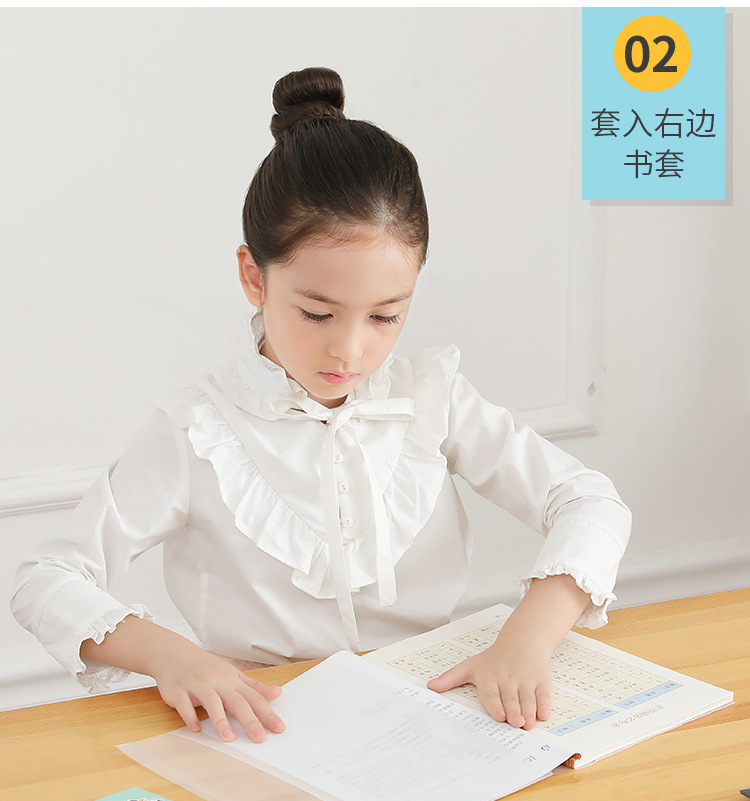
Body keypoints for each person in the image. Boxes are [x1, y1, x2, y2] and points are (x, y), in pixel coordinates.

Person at [12, 67, 631, 747]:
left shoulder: (432, 398)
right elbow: (45, 580)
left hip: (436, 710)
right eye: (317, 312)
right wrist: (172, 656)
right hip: (267, 719)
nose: (351, 350)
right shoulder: (199, 431)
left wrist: (527, 637)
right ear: (254, 276)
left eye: (386, 316)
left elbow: (589, 502)